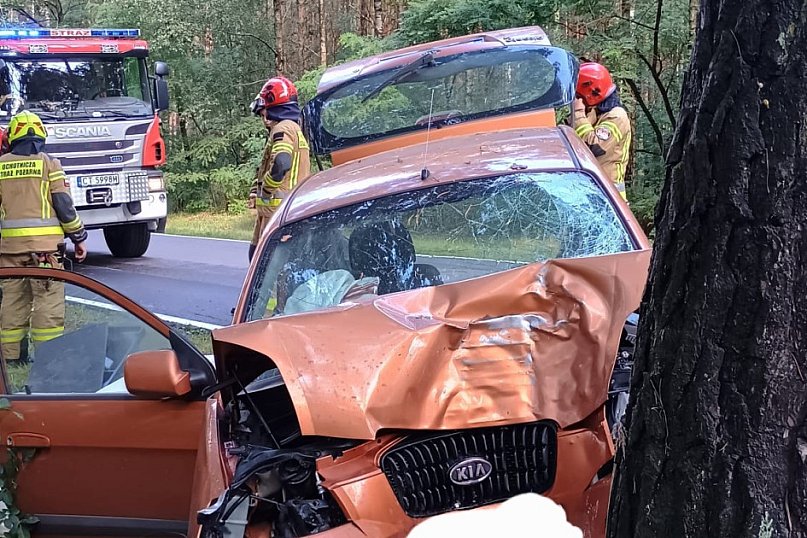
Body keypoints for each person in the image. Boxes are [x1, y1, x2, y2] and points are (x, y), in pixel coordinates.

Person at [0, 110, 88, 364]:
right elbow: (63, 205)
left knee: (13, 302)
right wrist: (79, 236)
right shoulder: (50, 163)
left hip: (9, 251)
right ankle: (48, 358)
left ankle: (11, 358)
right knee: (47, 302)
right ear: (41, 136)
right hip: (46, 252)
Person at [247, 76, 311, 262]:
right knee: (257, 258)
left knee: (267, 265)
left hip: (277, 215)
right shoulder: (294, 128)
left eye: (262, 113)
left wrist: (266, 189)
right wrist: (256, 192)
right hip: (279, 213)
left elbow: (282, 163)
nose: (263, 119)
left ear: (269, 110)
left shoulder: (282, 129)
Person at [573, 62, 631, 201]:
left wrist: (578, 112)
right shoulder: (595, 112)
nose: (576, 99)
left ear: (591, 93)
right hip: (592, 190)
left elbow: (595, 147)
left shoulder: (617, 116)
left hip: (610, 197)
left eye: (578, 95)